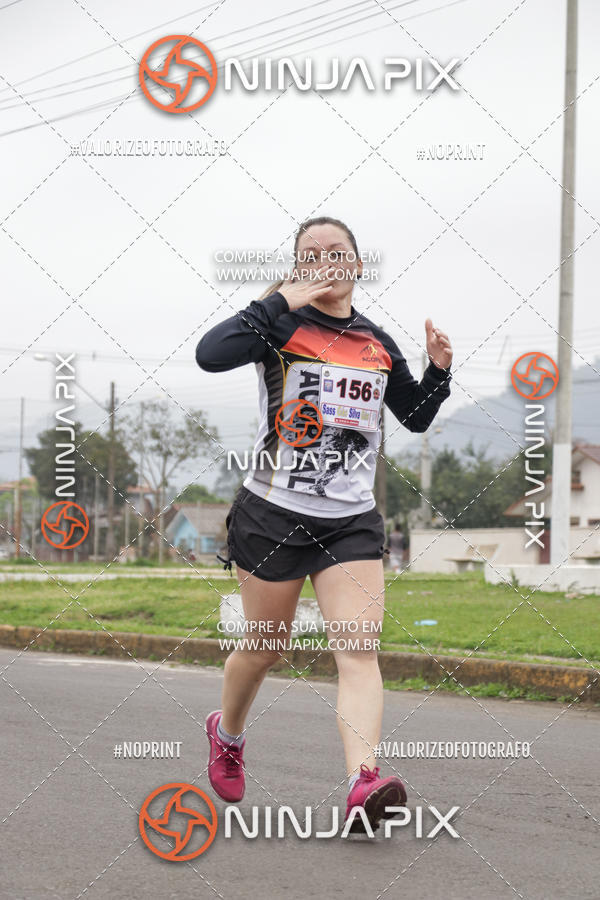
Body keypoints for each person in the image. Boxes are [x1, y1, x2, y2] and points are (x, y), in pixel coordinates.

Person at [196, 216, 453, 833]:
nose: (324, 260)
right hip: (273, 513)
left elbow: (413, 417)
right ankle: (226, 733)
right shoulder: (278, 324)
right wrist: (276, 297)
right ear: (296, 267)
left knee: (359, 651)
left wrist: (438, 372)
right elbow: (211, 355)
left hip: (350, 523)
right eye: (309, 254)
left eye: (336, 251)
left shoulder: (375, 342)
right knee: (265, 649)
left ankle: (363, 783)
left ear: (357, 265)